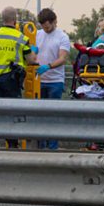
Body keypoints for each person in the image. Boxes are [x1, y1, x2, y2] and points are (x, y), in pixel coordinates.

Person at [0, 6, 39, 148]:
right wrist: (33, 51)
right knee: (12, 112)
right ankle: (12, 143)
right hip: (11, 80)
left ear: (2, 19)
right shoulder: (20, 38)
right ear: (14, 19)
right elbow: (31, 60)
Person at [35, 8, 71, 150]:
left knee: (53, 116)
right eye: (43, 28)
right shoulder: (38, 35)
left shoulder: (62, 37)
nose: (46, 30)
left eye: (48, 27)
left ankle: (53, 147)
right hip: (40, 80)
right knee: (41, 117)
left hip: (55, 81)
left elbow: (62, 59)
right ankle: (42, 146)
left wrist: (48, 66)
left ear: (54, 21)